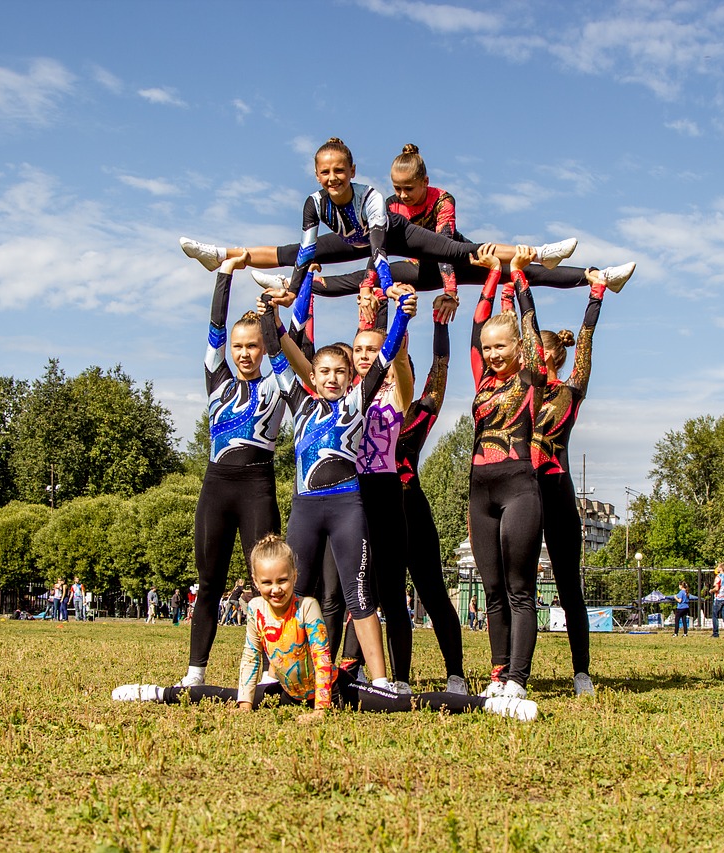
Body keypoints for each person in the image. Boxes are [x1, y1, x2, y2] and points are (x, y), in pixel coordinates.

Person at [111, 534, 537, 721]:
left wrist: (320, 708)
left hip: (331, 688)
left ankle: (490, 706)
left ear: (294, 577)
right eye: (266, 582)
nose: (275, 589)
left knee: (402, 706)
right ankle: (153, 692)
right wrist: (245, 701)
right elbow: (250, 656)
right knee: (222, 697)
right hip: (289, 691)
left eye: (282, 581)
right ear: (255, 581)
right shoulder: (256, 610)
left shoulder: (308, 606)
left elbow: (320, 657)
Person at [179, 138, 584, 321]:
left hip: (403, 240)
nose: (402, 195)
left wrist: (441, 291)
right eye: (325, 172)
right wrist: (294, 285)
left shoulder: (398, 201)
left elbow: (395, 249)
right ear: (317, 174)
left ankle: (542, 252)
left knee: (467, 251)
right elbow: (304, 250)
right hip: (389, 252)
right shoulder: (317, 202)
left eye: (340, 170)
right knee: (301, 254)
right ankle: (225, 254)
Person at [256, 268, 416, 693]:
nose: (330, 377)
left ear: (350, 377)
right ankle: (281, 676)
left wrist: (401, 314)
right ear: (313, 376)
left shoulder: (359, 402)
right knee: (295, 592)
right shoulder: (299, 400)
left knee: (359, 597)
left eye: (338, 372)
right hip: (305, 509)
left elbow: (386, 356)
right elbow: (277, 352)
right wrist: (268, 315)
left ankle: (379, 680)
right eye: (322, 371)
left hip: (348, 508)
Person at [271, 144, 637, 314]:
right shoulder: (387, 204)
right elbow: (376, 250)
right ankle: (291, 284)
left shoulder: (442, 199)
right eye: (395, 188)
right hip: (419, 267)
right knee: (354, 275)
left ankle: (598, 276)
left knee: (522, 273)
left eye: (408, 189)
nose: (400, 195)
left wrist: (451, 293)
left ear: (425, 182)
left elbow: (445, 245)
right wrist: (370, 286)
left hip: (457, 259)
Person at [508, 262, 624, 696]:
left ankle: (581, 673)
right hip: (524, 488)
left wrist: (595, 297)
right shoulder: (528, 387)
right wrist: (519, 284)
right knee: (516, 583)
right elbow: (528, 331)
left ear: (547, 354)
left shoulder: (571, 390)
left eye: (536, 350)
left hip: (554, 488)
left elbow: (585, 340)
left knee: (568, 582)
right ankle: (513, 671)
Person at [176, 253, 289, 689]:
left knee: (269, 587)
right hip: (216, 486)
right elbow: (215, 331)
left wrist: (272, 312)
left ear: (263, 348)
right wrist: (225, 274)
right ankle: (195, 671)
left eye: (252, 346)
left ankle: (270, 673)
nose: (244, 352)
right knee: (209, 582)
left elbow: (286, 344)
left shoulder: (276, 385)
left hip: (257, 487)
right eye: (239, 346)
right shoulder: (217, 376)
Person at [466, 246, 549, 699]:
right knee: (492, 589)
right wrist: (491, 277)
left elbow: (530, 327)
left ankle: (518, 678)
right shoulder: (483, 380)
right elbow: (477, 326)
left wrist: (518, 278)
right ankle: (498, 675)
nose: (493, 353)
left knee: (520, 589)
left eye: (502, 346)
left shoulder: (529, 375)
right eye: (488, 348)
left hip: (519, 487)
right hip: (480, 491)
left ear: (518, 347)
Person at [710, 563, 724, 638]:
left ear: (721, 568)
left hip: (719, 598)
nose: (717, 568)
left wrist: (711, 591)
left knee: (715, 615)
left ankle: (715, 633)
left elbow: (716, 588)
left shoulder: (718, 577)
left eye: (718, 567)